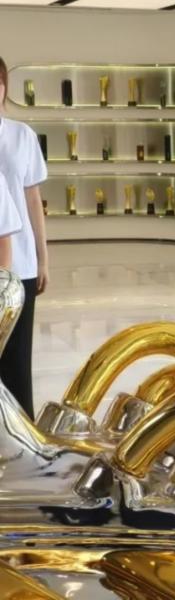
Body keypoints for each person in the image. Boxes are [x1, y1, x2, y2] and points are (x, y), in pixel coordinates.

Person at [0, 56, 48, 416]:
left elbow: (33, 199)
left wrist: (43, 258)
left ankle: (21, 430)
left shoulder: (22, 136)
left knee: (17, 359)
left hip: (20, 264)